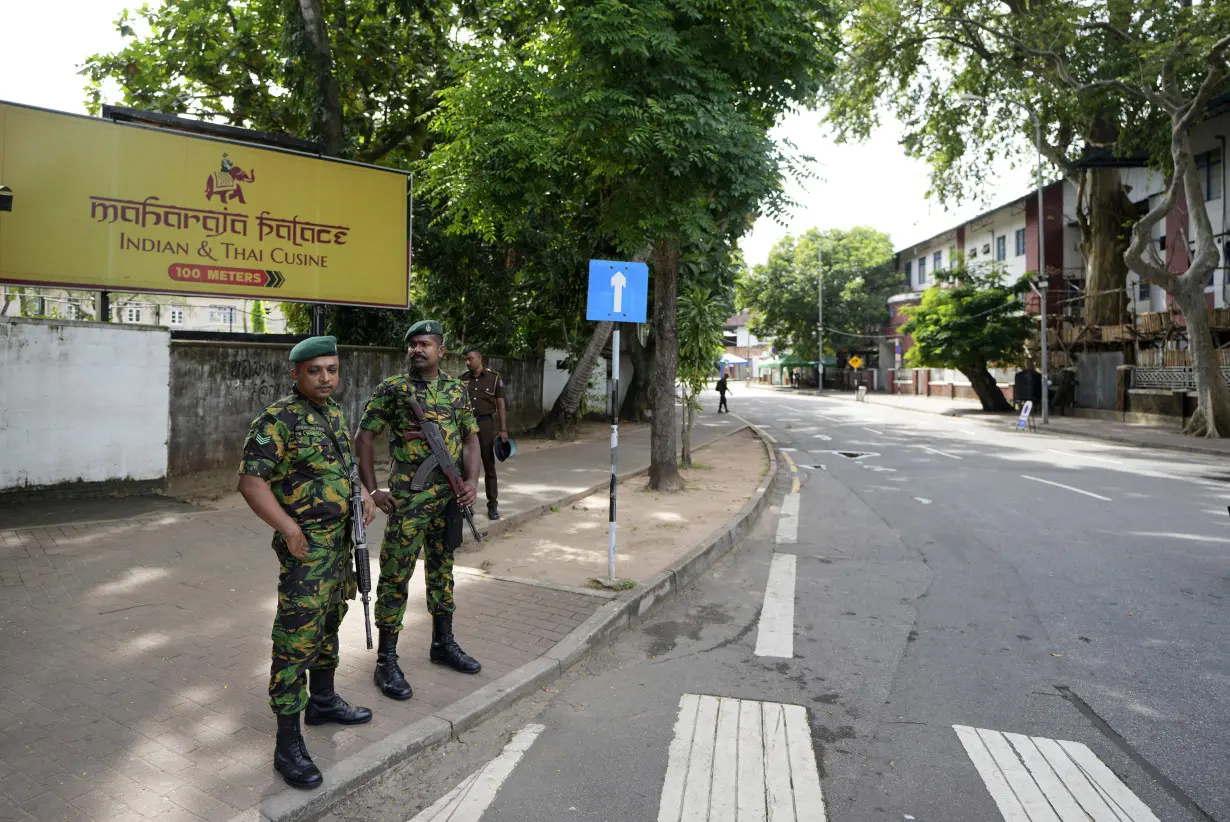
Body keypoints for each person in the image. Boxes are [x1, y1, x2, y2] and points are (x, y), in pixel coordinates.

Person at [237, 335, 378, 790]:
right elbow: (251, 483)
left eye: (332, 369)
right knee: (296, 637)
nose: (325, 378)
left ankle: (322, 701)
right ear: (295, 373)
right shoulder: (278, 419)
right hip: (307, 550)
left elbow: (341, 467)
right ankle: (287, 743)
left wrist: (361, 495)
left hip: (339, 545)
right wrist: (288, 528)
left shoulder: (334, 413)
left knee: (330, 623)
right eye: (315, 370)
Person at [355, 320, 484, 703]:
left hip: (449, 500)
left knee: (443, 571)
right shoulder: (393, 390)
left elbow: (471, 439)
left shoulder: (456, 390)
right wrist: (373, 489)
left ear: (441, 351)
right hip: (408, 503)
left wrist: (471, 484)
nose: (417, 349)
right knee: (396, 576)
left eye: (425, 344)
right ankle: (386, 661)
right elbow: (364, 437)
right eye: (412, 344)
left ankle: (443, 643)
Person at [460, 346, 508, 520]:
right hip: (465, 426)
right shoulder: (461, 380)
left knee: (489, 466)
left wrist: (503, 429)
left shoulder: (494, 379)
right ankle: (466, 506)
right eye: (465, 359)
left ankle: (492, 505)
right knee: (465, 466)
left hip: (485, 424)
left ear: (479, 357)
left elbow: (501, 405)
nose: (468, 362)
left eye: (470, 358)